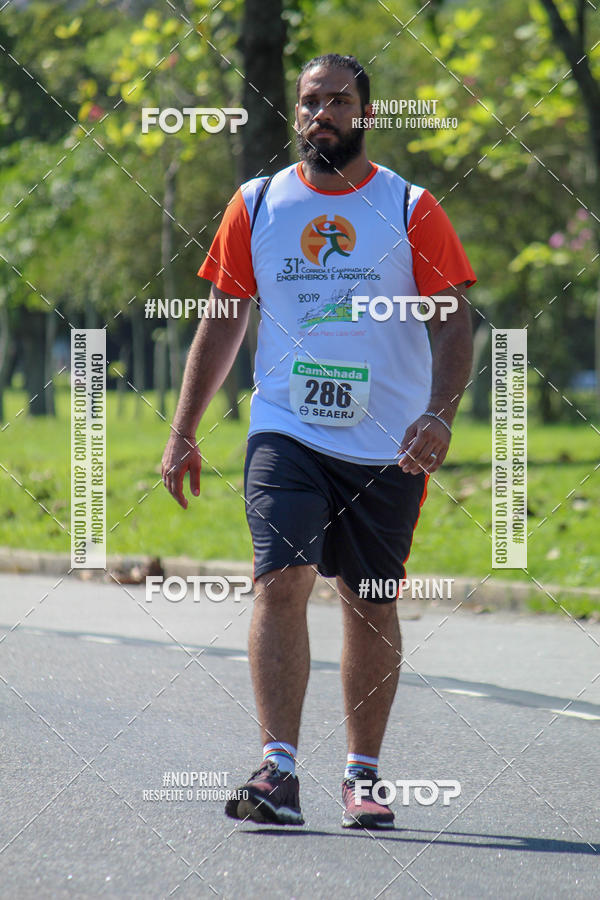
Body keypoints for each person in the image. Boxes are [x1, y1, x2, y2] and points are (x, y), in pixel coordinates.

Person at [161, 53, 476, 829]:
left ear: (365, 114)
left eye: (337, 101)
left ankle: (363, 775)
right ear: (295, 112)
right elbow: (224, 316)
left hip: (385, 443)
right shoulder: (258, 203)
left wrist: (439, 413)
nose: (321, 114)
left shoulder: (410, 207)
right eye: (309, 102)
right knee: (280, 578)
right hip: (286, 427)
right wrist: (183, 430)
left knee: (370, 602)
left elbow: (454, 318)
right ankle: (278, 771)